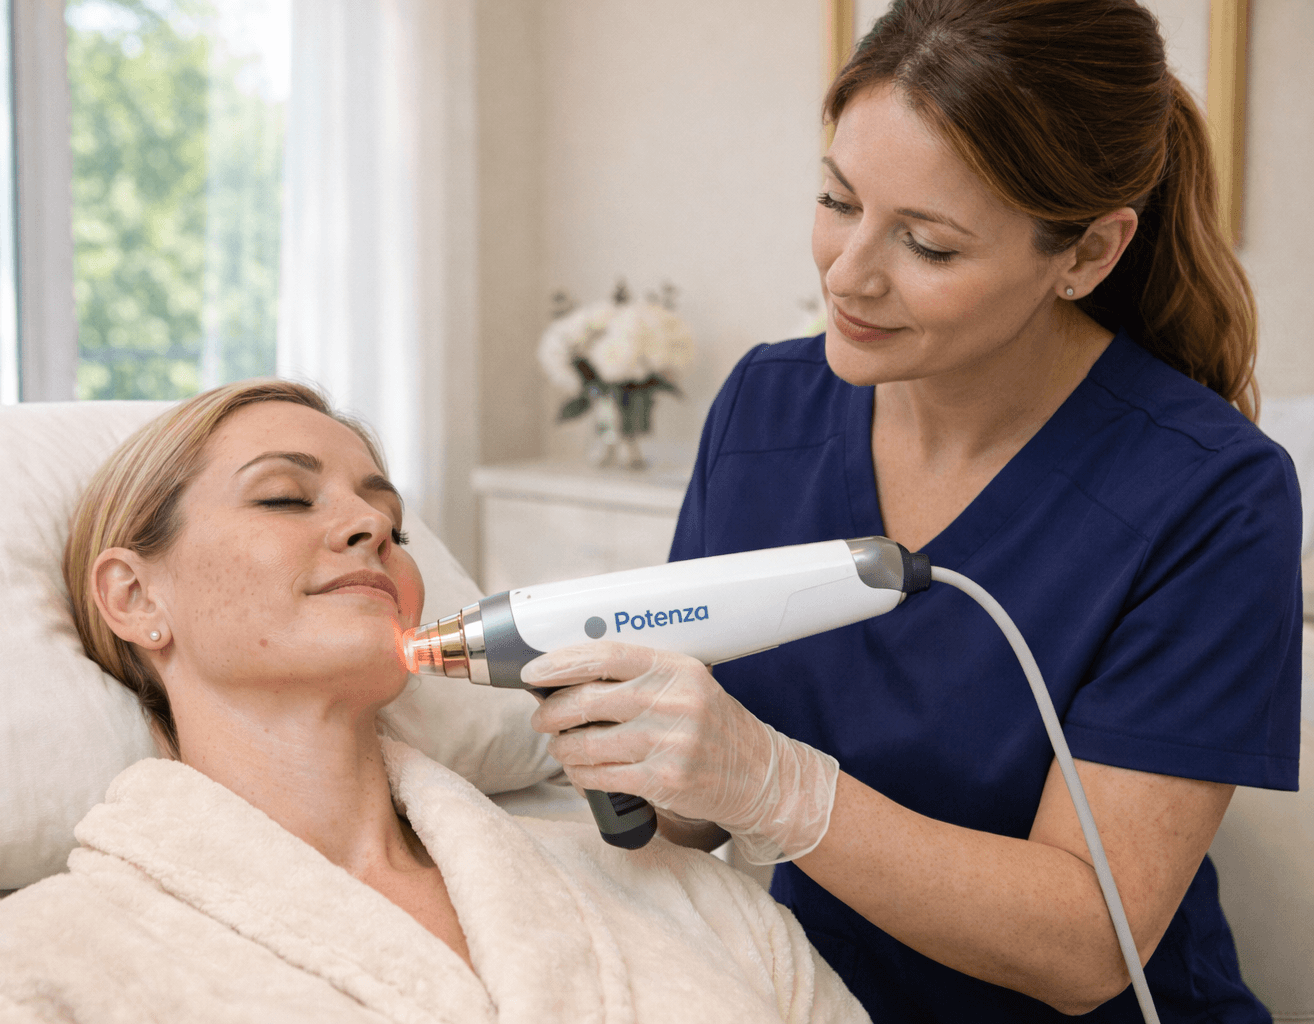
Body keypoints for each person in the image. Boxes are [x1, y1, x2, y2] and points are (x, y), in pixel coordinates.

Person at [526, 2, 1301, 1022]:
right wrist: (632, 749)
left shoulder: (1212, 494)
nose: (847, 275)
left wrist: (780, 788)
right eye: (836, 200)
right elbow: (692, 819)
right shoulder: (767, 408)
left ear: (1086, 254)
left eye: (928, 246)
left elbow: (1088, 946)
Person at [0, 379, 868, 1024]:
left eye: (391, 522)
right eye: (285, 497)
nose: (366, 525)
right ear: (135, 597)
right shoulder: (30, 975)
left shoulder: (690, 898)